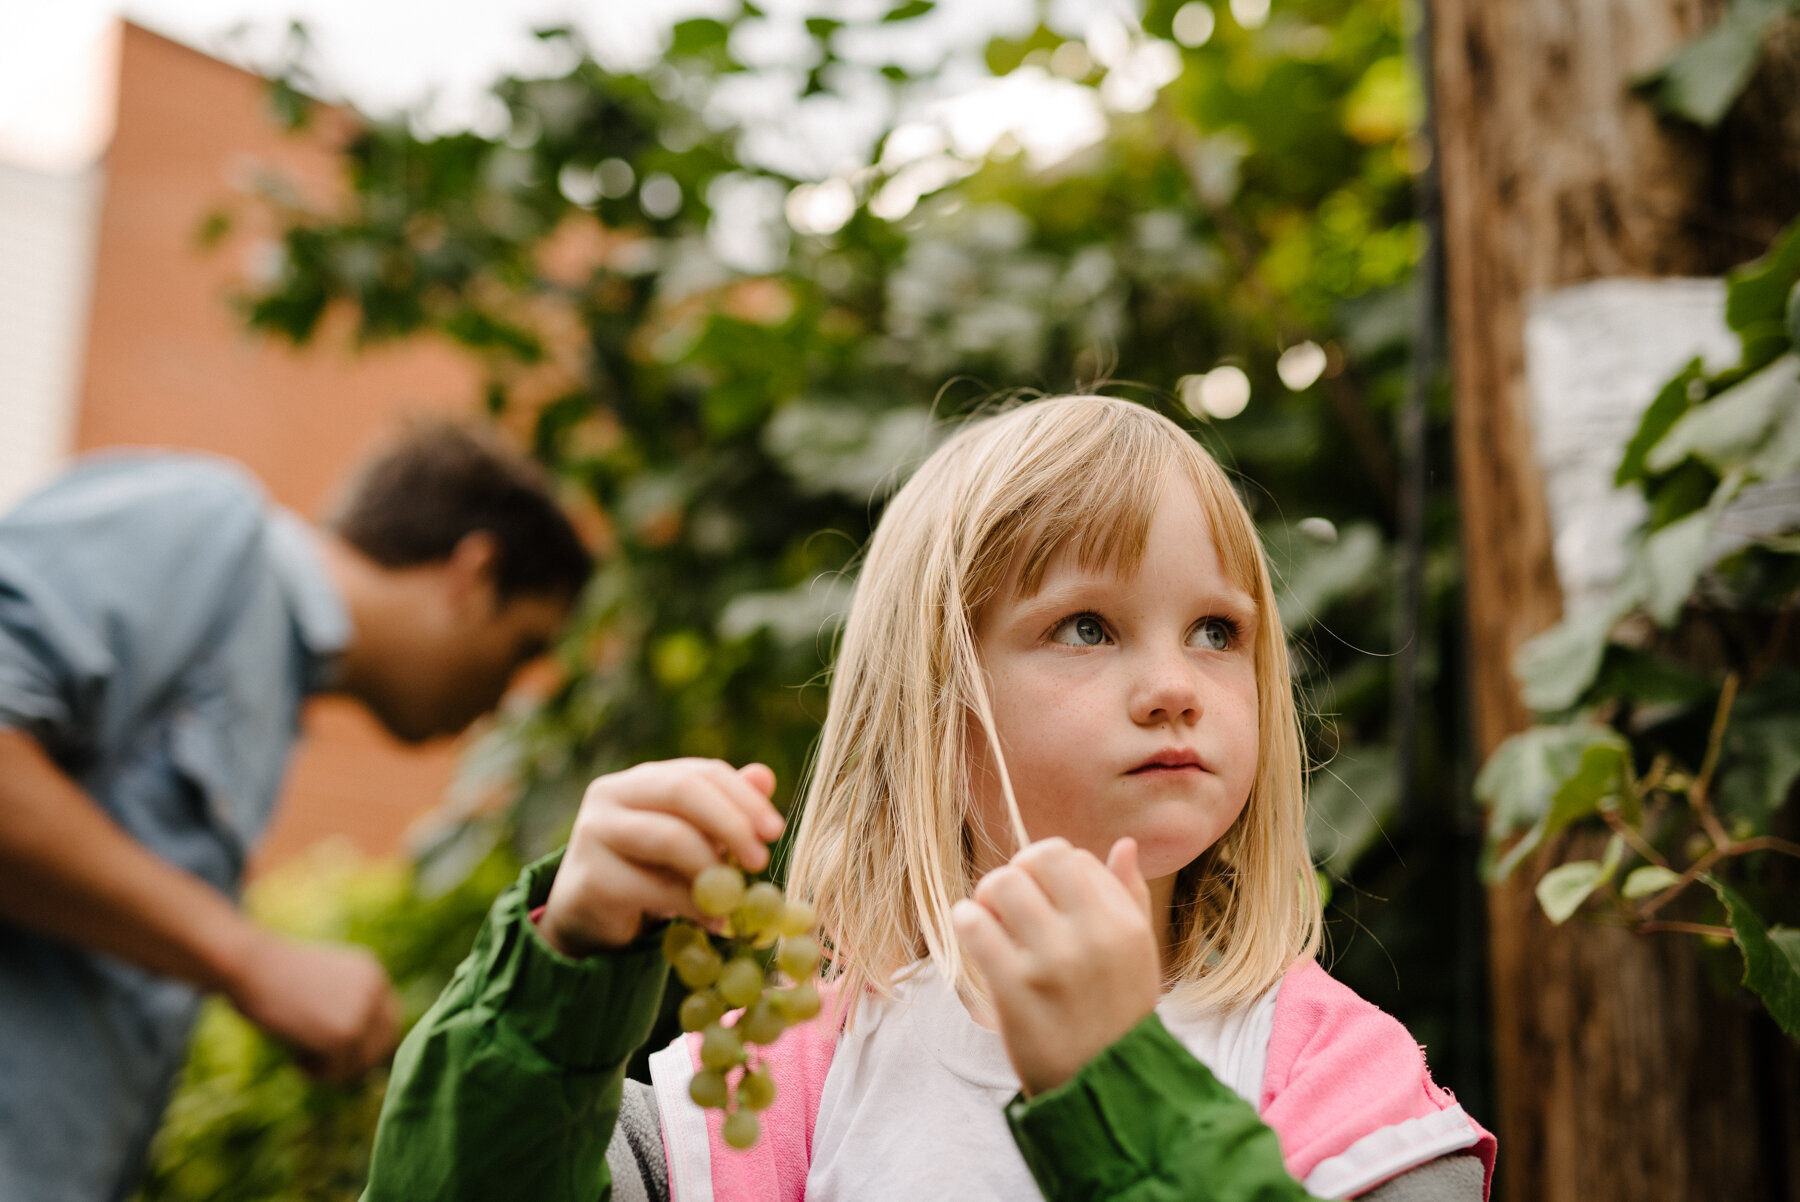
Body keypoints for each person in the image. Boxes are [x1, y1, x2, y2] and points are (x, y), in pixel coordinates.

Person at [362, 396, 1495, 1201]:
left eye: (1217, 630)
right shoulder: (779, 1080)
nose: (1173, 688)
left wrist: (1121, 1091)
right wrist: (559, 981)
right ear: (933, 710)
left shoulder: (1343, 1086)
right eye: (1087, 626)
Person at [0, 421, 591, 1202]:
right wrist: (250, 960)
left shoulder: (270, 692)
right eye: (522, 650)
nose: (505, 698)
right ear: (473, 574)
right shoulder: (206, 525)